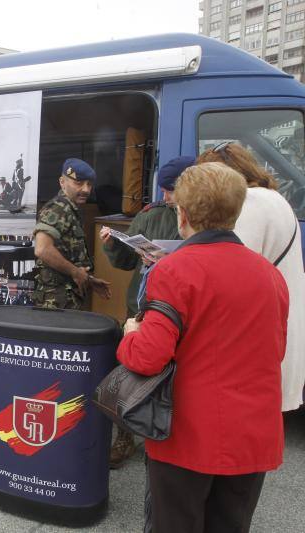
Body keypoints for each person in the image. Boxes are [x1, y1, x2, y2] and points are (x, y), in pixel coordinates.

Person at [118, 162, 288, 533]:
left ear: (182, 214)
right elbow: (272, 351)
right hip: (253, 435)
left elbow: (148, 357)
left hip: (188, 436)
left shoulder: (174, 270)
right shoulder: (270, 274)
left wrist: (131, 332)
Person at [98, 156, 192, 469]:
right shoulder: (151, 215)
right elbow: (125, 262)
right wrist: (113, 244)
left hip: (180, 308)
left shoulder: (202, 216)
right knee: (135, 372)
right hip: (142, 306)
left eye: (170, 190)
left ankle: (174, 441)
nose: (164, 196)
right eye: (163, 189)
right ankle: (126, 437)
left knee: (177, 379)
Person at [197, 142, 305, 412]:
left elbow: (232, 267)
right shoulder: (274, 198)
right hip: (276, 326)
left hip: (257, 338)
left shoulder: (251, 202)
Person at [33, 158, 111, 309]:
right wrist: (75, 272)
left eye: (89, 184)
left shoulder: (70, 209)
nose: (86, 190)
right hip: (55, 301)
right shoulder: (57, 208)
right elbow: (42, 249)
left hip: (66, 298)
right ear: (62, 182)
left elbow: (68, 255)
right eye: (79, 183)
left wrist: (88, 279)